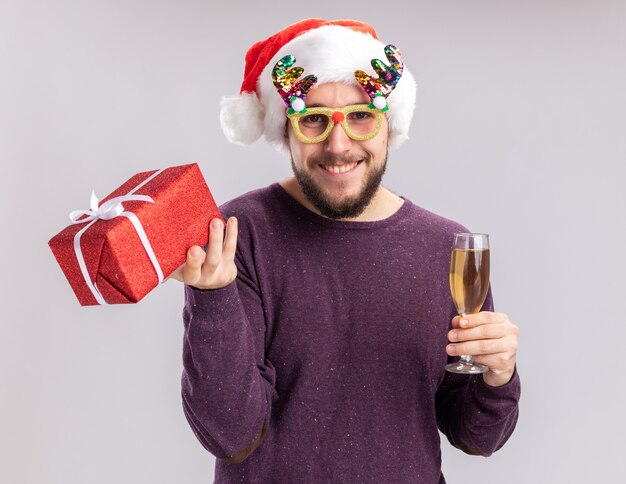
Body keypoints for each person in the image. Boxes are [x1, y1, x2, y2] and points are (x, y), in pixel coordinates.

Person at [170, 18, 520, 483]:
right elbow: (229, 434)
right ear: (285, 131)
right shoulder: (237, 234)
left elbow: (477, 436)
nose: (339, 145)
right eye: (313, 119)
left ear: (389, 127)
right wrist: (212, 298)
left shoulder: (446, 248)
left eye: (360, 116)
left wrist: (498, 375)